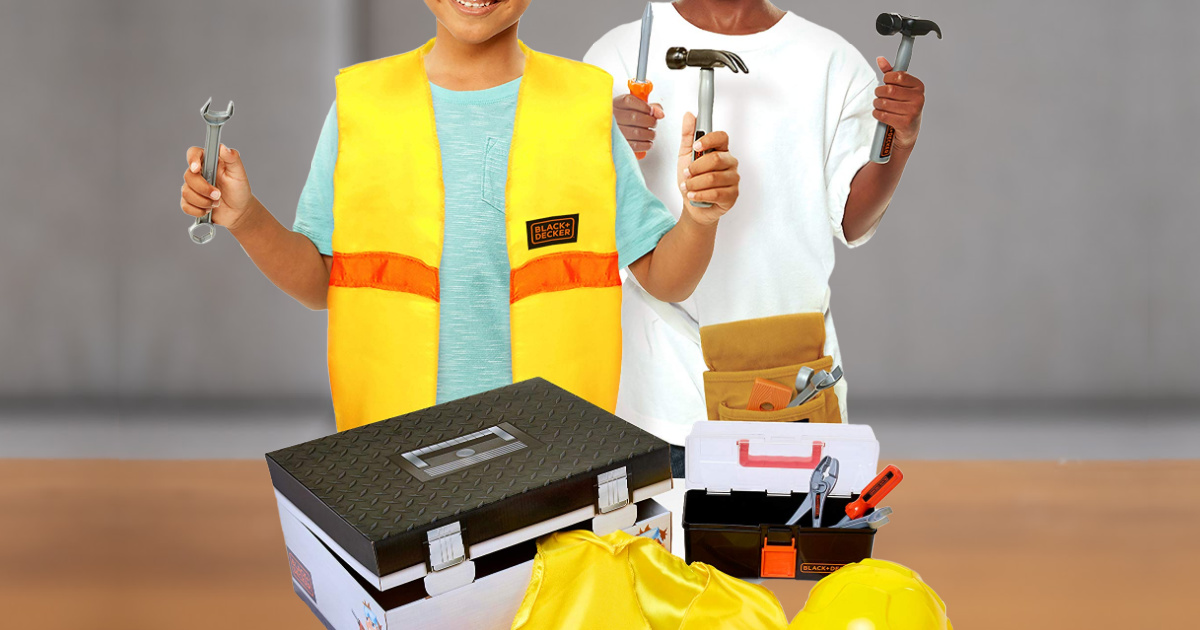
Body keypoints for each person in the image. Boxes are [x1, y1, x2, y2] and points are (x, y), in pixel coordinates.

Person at [177, 0, 742, 431]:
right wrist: (246, 218)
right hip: (395, 456)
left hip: (553, 459)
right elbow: (319, 282)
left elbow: (665, 277)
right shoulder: (364, 107)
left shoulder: (582, 109)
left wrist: (700, 217)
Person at [585, 1, 928, 461]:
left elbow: (851, 219)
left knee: (797, 532)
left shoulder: (832, 61)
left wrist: (899, 142)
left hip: (794, 381)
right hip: (662, 389)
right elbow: (578, 211)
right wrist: (600, 138)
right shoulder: (622, 54)